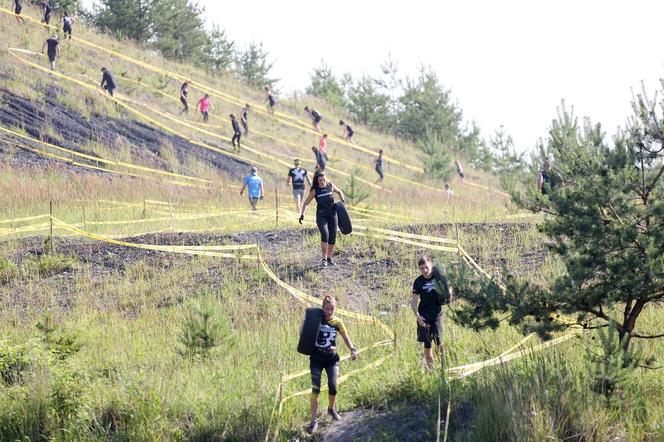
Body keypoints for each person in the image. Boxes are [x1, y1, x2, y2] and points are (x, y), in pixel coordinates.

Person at [306, 294, 358, 434]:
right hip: (316, 358)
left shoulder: (338, 322)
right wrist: (307, 319)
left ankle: (331, 408)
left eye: (332, 309)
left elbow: (345, 337)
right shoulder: (317, 318)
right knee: (315, 389)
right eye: (327, 309)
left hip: (331, 358)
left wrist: (352, 349)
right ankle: (313, 421)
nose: (329, 312)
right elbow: (304, 333)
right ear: (322, 308)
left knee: (333, 386)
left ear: (335, 309)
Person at [411, 256, 453, 370]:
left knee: (439, 342)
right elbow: (413, 302)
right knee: (427, 345)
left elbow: (449, 289)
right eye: (421, 268)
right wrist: (418, 316)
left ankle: (444, 369)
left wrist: (449, 292)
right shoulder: (418, 282)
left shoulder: (439, 277)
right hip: (424, 315)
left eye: (426, 267)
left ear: (431, 266)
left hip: (437, 314)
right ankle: (431, 371)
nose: (424, 270)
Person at [299, 170, 346, 267]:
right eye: (320, 180)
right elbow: (306, 203)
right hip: (321, 215)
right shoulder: (315, 191)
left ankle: (329, 258)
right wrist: (302, 214)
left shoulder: (330, 186)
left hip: (332, 215)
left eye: (324, 180)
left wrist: (343, 201)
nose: (322, 182)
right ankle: (323, 259)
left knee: (332, 237)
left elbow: (339, 191)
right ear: (317, 181)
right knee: (325, 234)